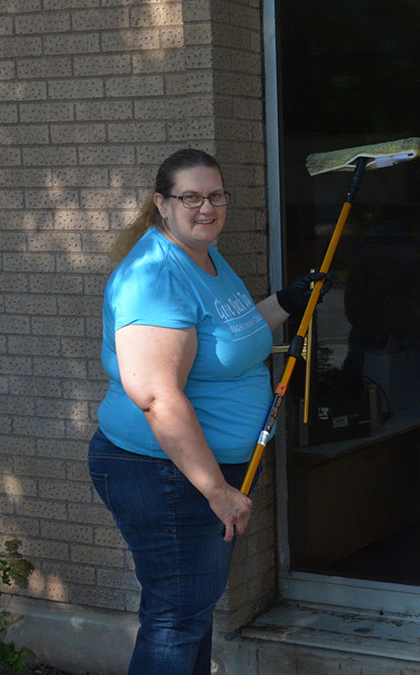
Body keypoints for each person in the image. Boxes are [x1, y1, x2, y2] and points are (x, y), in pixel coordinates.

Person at [88, 148, 324, 674]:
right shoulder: (156, 275)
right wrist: (216, 491)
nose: (206, 208)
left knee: (187, 614)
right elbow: (156, 396)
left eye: (216, 196)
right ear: (161, 203)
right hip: (164, 474)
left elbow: (234, 334)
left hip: (193, 474)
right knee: (175, 620)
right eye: (190, 197)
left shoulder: (206, 258)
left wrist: (290, 299)